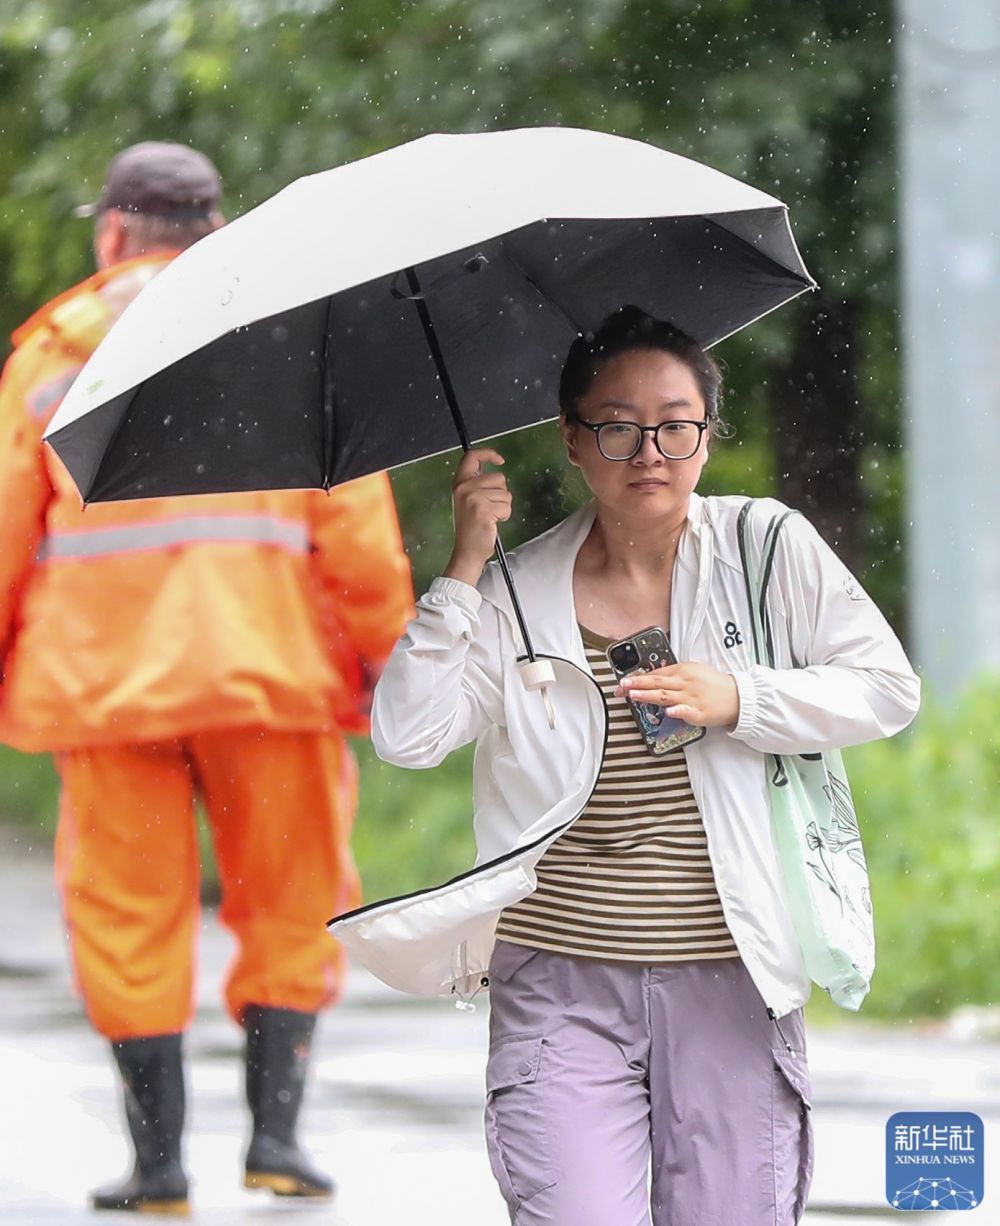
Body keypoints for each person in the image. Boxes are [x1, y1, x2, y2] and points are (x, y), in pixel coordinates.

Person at [360, 307, 921, 1225]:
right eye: (618, 425)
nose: (650, 449)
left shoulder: (764, 547)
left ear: (707, 434)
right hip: (561, 983)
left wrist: (740, 697)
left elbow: (886, 688)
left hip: (731, 976)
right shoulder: (514, 593)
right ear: (574, 442)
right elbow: (410, 735)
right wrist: (463, 570)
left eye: (676, 422)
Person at [0, 142, 414, 1215]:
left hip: (107, 684)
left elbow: (5, 532)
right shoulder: (291, 336)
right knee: (291, 899)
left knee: (128, 913)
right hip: (268, 673)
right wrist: (390, 660)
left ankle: (158, 1161)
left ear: (111, 234)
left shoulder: (54, 349)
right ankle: (277, 1139)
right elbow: (357, 533)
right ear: (218, 230)